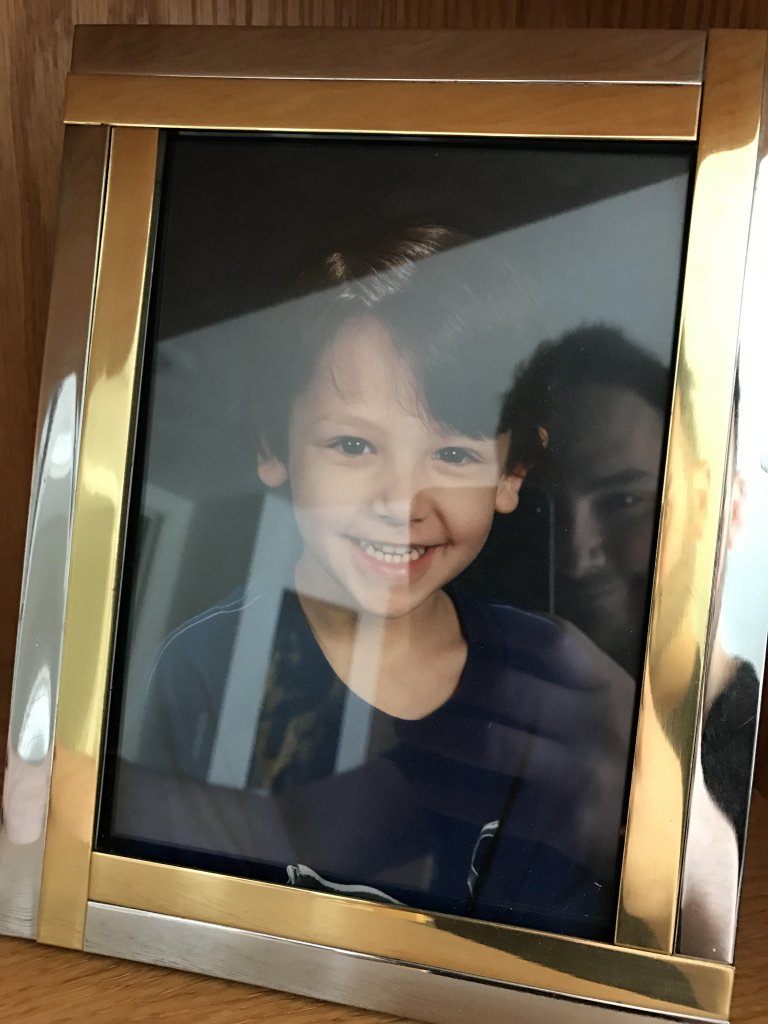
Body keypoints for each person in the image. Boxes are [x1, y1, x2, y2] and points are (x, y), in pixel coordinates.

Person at [112, 227, 634, 940]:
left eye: (454, 454)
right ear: (273, 445)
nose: (401, 502)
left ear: (511, 473)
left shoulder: (555, 674)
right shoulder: (201, 667)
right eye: (354, 444)